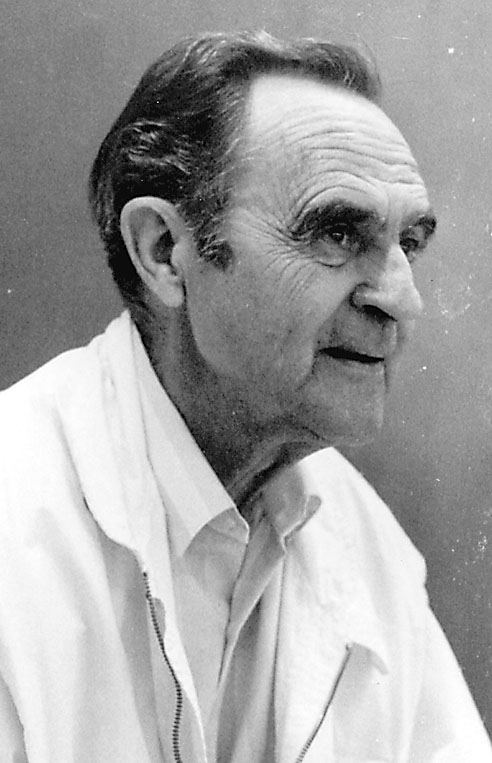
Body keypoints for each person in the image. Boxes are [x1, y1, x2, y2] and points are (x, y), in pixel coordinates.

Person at [0, 31, 490, 763]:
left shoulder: (366, 541)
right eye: (336, 232)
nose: (402, 299)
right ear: (166, 253)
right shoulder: (15, 506)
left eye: (408, 244)